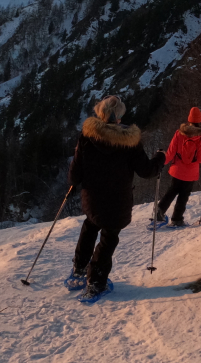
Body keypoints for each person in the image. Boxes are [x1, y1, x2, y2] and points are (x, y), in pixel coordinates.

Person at [67, 95, 165, 300]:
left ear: (100, 113)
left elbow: (75, 173)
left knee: (90, 225)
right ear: (119, 115)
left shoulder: (87, 135)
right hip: (117, 201)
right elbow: (147, 171)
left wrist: (75, 183)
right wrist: (159, 158)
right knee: (109, 238)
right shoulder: (130, 141)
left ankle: (79, 269)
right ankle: (95, 283)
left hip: (92, 197)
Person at [151, 107, 201, 227]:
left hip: (177, 170)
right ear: (200, 120)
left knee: (172, 191)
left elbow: (170, 153)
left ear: (189, 119)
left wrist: (160, 162)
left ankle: (159, 212)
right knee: (183, 196)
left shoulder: (179, 133)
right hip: (190, 173)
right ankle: (177, 219)